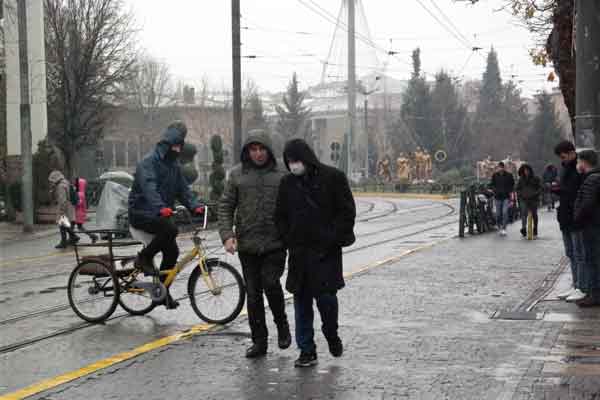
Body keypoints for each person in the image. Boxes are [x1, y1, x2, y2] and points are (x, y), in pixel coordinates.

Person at [275, 139, 356, 368]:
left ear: (306, 158)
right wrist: (288, 237)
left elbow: (347, 212)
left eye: (296, 160)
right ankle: (306, 350)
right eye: (289, 161)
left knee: (327, 300)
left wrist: (332, 236)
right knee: (301, 304)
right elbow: (280, 215)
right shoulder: (287, 183)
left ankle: (331, 335)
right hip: (299, 253)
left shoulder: (333, 178)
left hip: (325, 253)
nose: (293, 165)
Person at [218, 130, 291, 358]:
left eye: (261, 149)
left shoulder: (282, 173)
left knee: (270, 283)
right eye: (253, 149)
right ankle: (259, 341)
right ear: (247, 151)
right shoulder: (237, 174)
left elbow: (295, 204)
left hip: (275, 242)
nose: (258, 154)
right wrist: (227, 235)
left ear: (268, 150)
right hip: (248, 244)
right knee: (253, 294)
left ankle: (282, 325)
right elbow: (226, 206)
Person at [128, 121, 204, 309]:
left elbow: (183, 190)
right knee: (170, 228)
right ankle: (144, 258)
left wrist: (195, 206)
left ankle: (161, 291)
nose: (178, 149)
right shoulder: (148, 163)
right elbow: (149, 188)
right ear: (167, 145)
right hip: (141, 213)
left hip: (158, 215)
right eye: (175, 145)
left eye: (180, 146)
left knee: (173, 251)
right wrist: (160, 207)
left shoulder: (174, 166)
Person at [553, 141, 585, 302]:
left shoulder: (578, 168)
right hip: (565, 215)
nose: (562, 159)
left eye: (563, 156)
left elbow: (576, 191)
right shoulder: (565, 168)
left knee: (579, 253)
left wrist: (560, 189)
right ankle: (576, 284)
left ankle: (581, 286)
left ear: (571, 152)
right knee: (571, 253)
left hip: (574, 216)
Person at [573, 150, 600, 306]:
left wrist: (577, 218)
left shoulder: (592, 179)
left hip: (591, 225)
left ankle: (593, 294)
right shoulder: (594, 177)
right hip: (593, 224)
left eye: (579, 161)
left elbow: (587, 204)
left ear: (584, 162)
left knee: (591, 259)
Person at [49, 170, 80, 249]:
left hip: (65, 208)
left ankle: (65, 241)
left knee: (62, 225)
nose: (51, 182)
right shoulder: (66, 182)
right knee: (66, 224)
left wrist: (61, 211)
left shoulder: (60, 186)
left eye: (52, 180)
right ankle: (72, 238)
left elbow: (62, 200)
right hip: (70, 206)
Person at [515, 164, 542, 238]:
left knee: (534, 214)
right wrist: (520, 194)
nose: (526, 172)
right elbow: (517, 188)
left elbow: (540, 187)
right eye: (525, 170)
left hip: (533, 199)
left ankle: (535, 229)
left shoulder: (535, 178)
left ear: (530, 170)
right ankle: (523, 228)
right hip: (523, 199)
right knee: (523, 213)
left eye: (527, 170)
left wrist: (535, 193)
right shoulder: (521, 179)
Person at [490, 161, 515, 236]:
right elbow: (492, 184)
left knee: (504, 212)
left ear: (504, 168)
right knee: (498, 214)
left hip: (506, 197)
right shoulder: (495, 175)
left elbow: (512, 185)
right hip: (497, 197)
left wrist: (511, 194)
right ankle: (499, 225)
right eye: (499, 167)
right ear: (498, 168)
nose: (500, 169)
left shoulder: (509, 175)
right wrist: (494, 190)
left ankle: (504, 228)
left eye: (501, 167)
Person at [73, 177, 98, 243]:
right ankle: (92, 236)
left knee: (77, 227)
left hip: (78, 214)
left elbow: (78, 203)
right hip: (80, 213)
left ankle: (92, 236)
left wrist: (73, 203)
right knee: (78, 227)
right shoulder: (82, 193)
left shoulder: (79, 194)